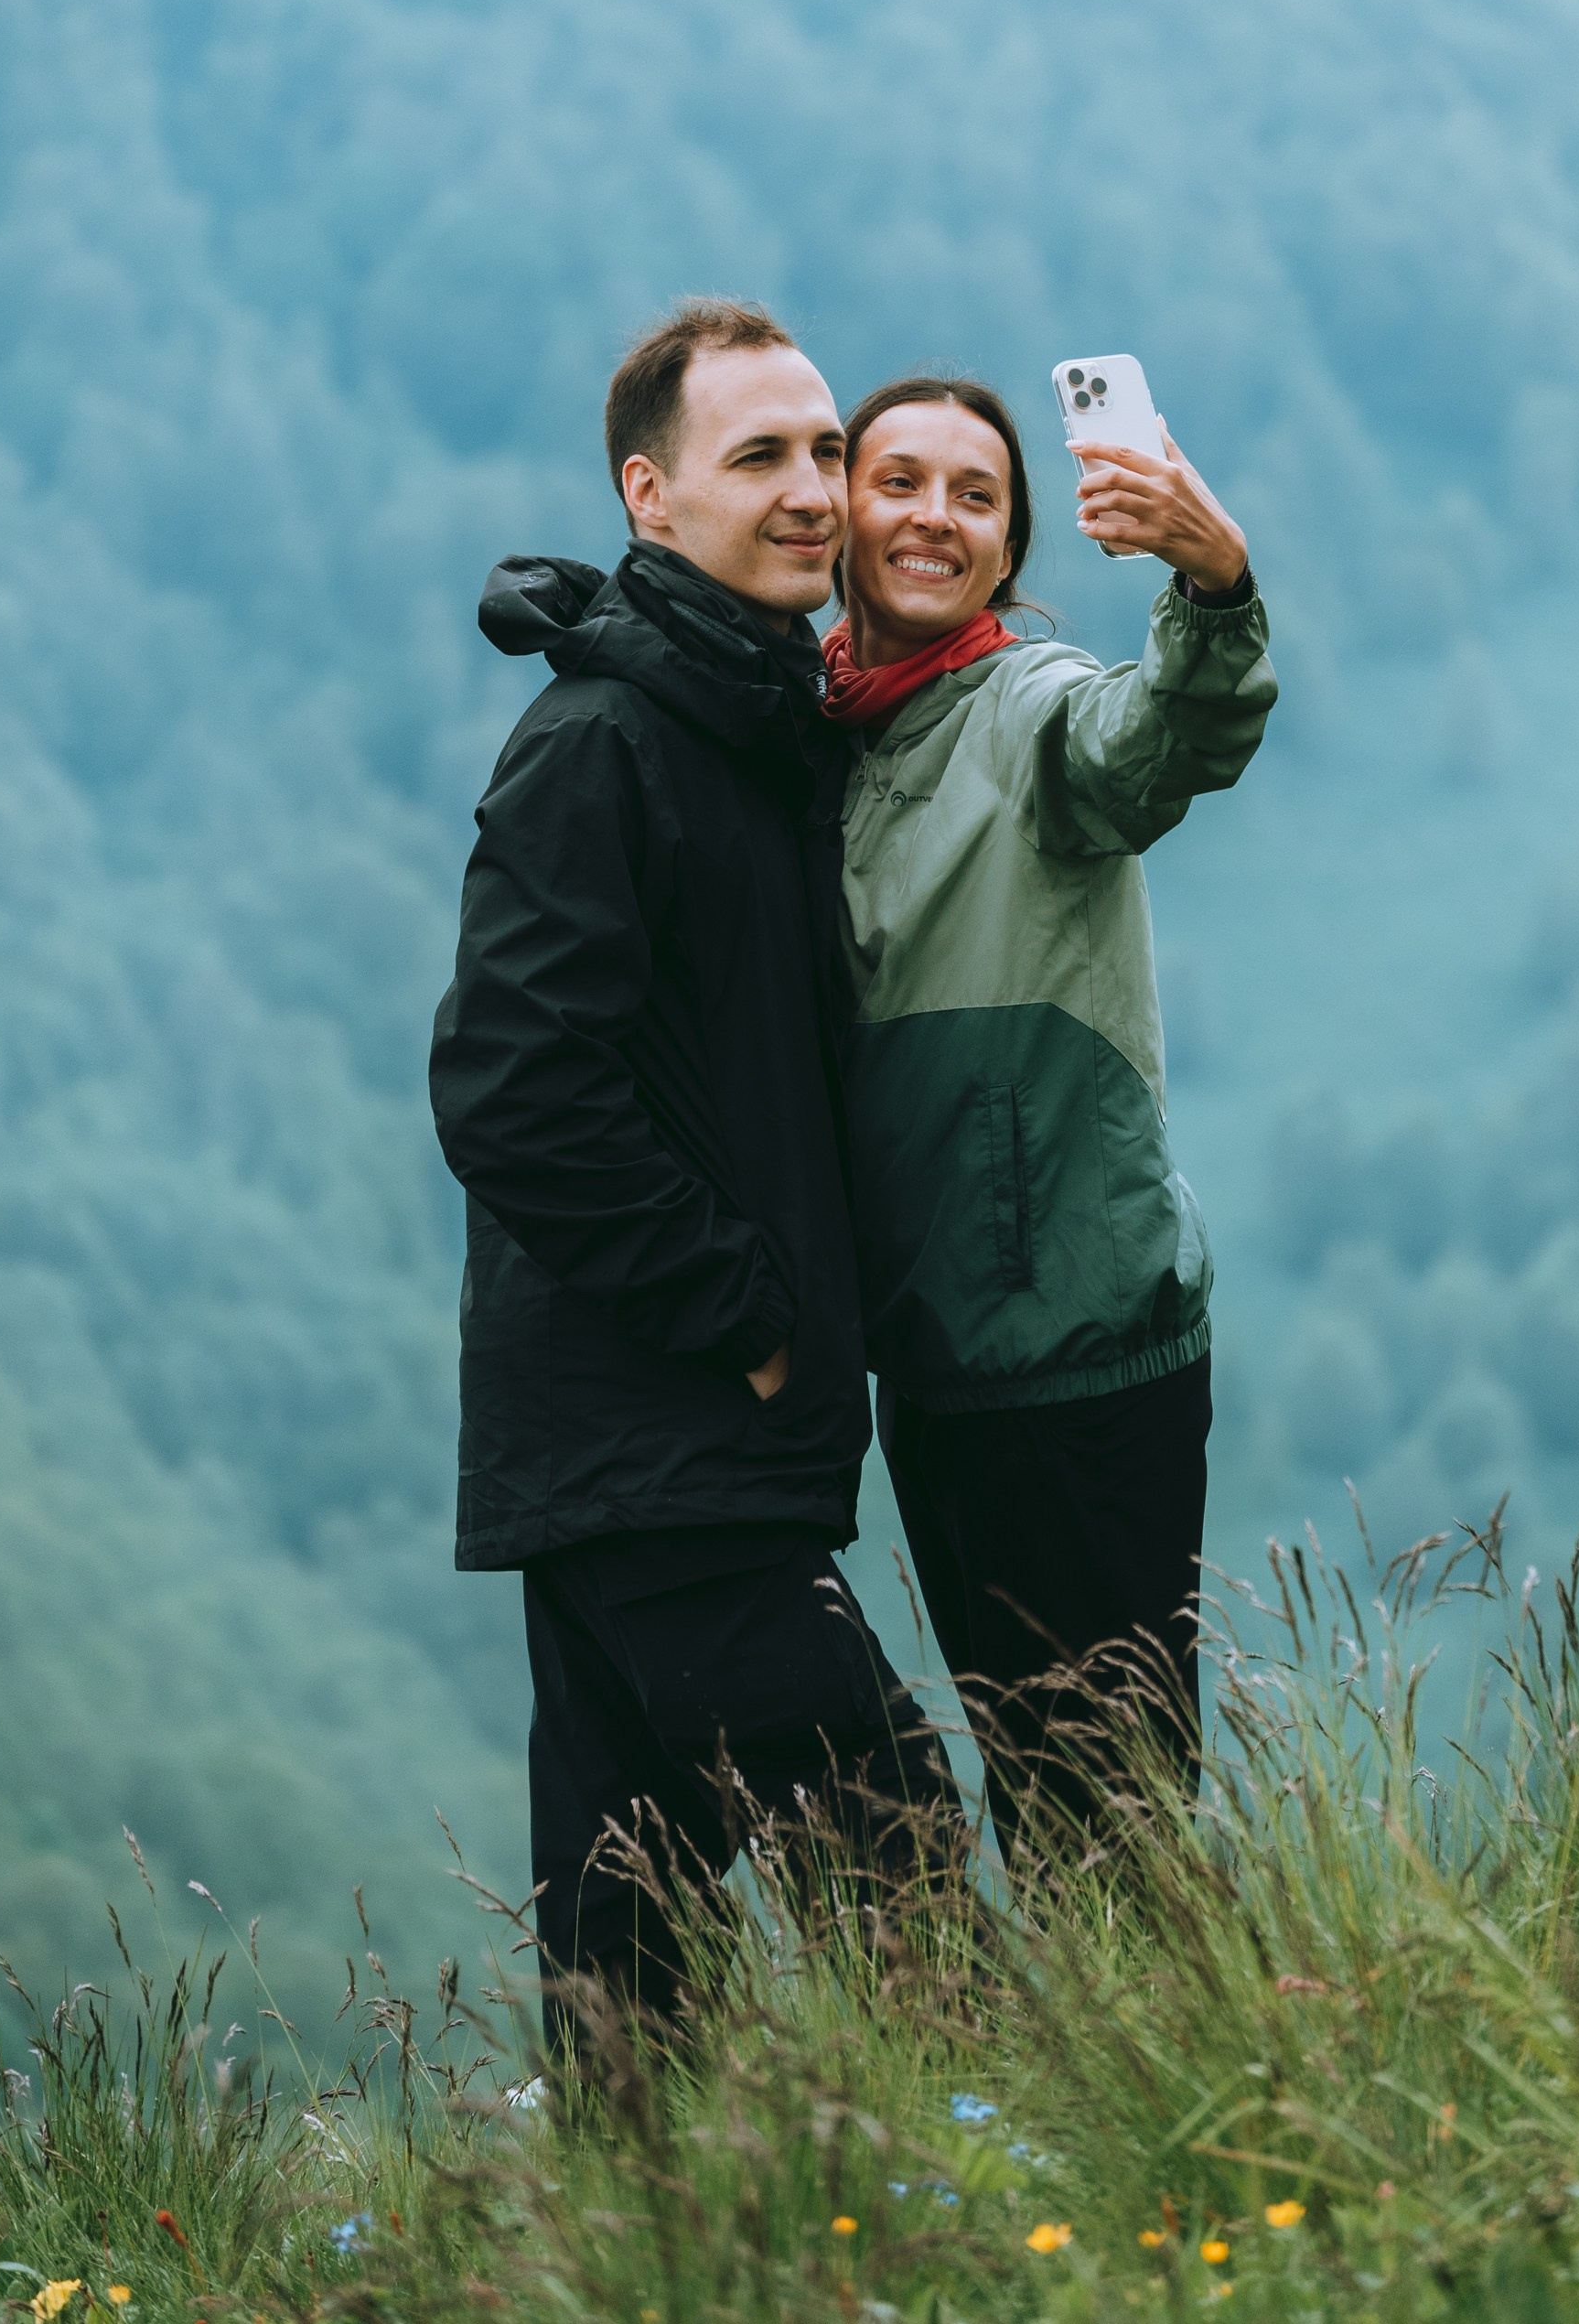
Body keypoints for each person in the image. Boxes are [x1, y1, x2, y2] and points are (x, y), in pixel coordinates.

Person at [428, 298, 961, 2031]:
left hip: (664, 1441)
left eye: (824, 449)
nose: (813, 488)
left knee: (626, 1932)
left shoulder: (751, 721)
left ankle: (638, 2248)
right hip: (662, 1430)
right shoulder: (604, 746)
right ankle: (1009, 2188)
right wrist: (741, 1308)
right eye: (762, 458)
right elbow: (508, 1087)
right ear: (650, 497)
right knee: (894, 1847)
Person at [822, 373, 1275, 1860]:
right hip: (936, 1363)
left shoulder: (1025, 711)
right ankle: (1121, 2072)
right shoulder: (815, 736)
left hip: (1080, 1351)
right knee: (1035, 1784)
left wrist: (1212, 589)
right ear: (838, 510)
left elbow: (1156, 743)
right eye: (899, 481)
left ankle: (1192, 2076)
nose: (932, 517)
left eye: (973, 494)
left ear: (1008, 546)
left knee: (1107, 1804)